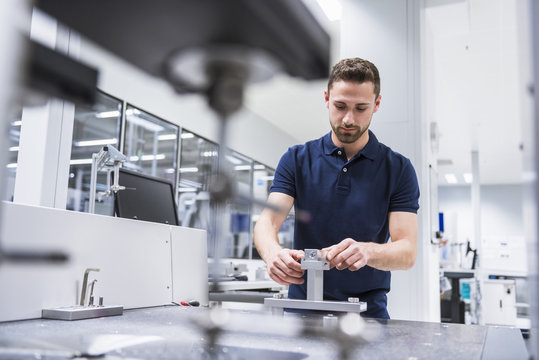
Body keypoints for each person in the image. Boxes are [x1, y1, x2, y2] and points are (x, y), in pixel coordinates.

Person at [253, 57, 419, 318]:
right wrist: (273, 254)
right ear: (327, 98)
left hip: (367, 313)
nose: (348, 119)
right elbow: (267, 222)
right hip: (301, 308)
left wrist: (367, 251)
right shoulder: (296, 159)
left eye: (361, 108)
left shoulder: (398, 169)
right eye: (340, 106)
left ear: (377, 104)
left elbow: (407, 251)